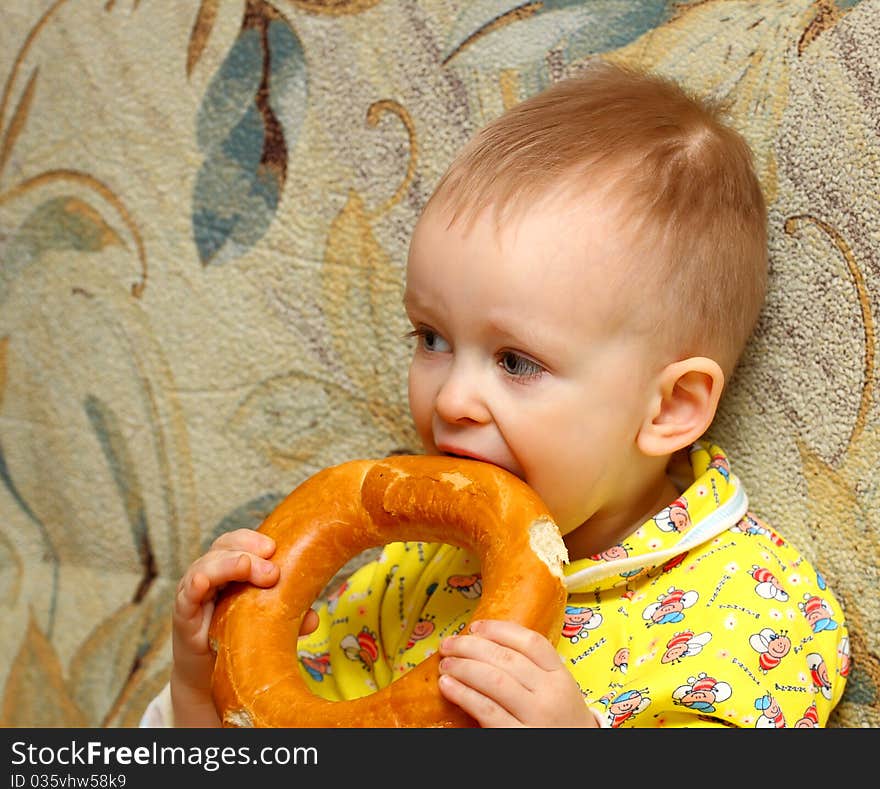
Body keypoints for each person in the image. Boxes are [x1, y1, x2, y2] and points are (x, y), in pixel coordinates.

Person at [142, 60, 850, 729]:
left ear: (669, 408)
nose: (452, 400)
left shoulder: (759, 608)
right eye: (430, 338)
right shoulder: (410, 574)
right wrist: (200, 682)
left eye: (516, 361)